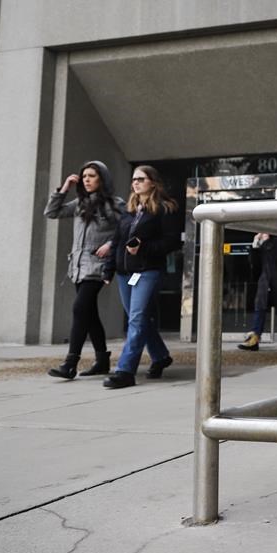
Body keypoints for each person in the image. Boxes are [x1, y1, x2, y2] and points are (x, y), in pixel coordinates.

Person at [44, 161, 125, 380]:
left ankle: (70, 363)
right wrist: (64, 189)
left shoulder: (115, 204)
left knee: (80, 309)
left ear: (102, 179)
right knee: (89, 314)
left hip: (98, 266)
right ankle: (102, 360)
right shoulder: (80, 203)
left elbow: (125, 229)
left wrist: (110, 244)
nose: (87, 180)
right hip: (78, 267)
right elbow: (51, 212)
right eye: (84, 176)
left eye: (92, 176)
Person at [101, 165, 179, 389]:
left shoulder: (165, 208)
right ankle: (161, 356)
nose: (135, 183)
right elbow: (116, 242)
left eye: (141, 179)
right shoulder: (129, 210)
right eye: (134, 179)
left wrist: (143, 248)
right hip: (126, 274)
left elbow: (172, 241)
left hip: (148, 272)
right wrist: (108, 269)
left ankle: (125, 371)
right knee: (139, 319)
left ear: (153, 182)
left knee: (136, 319)